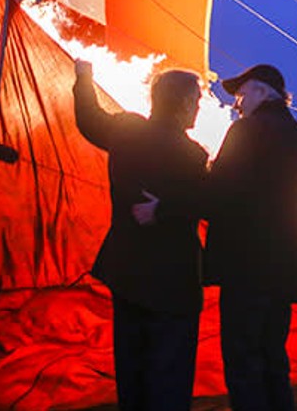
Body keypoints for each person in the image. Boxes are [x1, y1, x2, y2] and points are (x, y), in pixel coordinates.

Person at [73, 59, 208, 411]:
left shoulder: (127, 130)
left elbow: (89, 120)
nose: (198, 107)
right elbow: (208, 202)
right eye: (195, 100)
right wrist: (165, 209)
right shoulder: (192, 156)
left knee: (131, 368)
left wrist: (84, 77)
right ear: (180, 104)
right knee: (170, 376)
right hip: (173, 282)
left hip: (127, 272)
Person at [204, 64, 297, 411]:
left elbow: (217, 192)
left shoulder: (245, 132)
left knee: (243, 363)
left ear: (260, 91)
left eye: (241, 95)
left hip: (245, 269)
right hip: (283, 272)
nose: (237, 104)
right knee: (273, 359)